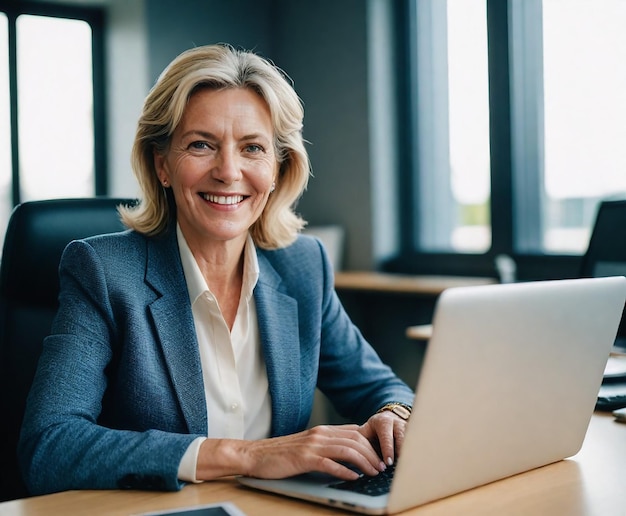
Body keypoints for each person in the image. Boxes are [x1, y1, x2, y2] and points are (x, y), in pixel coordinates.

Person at [18, 43, 414, 495]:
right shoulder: (104, 272)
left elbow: (383, 387)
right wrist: (247, 455)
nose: (228, 171)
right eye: (201, 145)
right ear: (162, 164)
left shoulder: (304, 266)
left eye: (252, 148)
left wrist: (393, 414)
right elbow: (49, 446)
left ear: (278, 169)